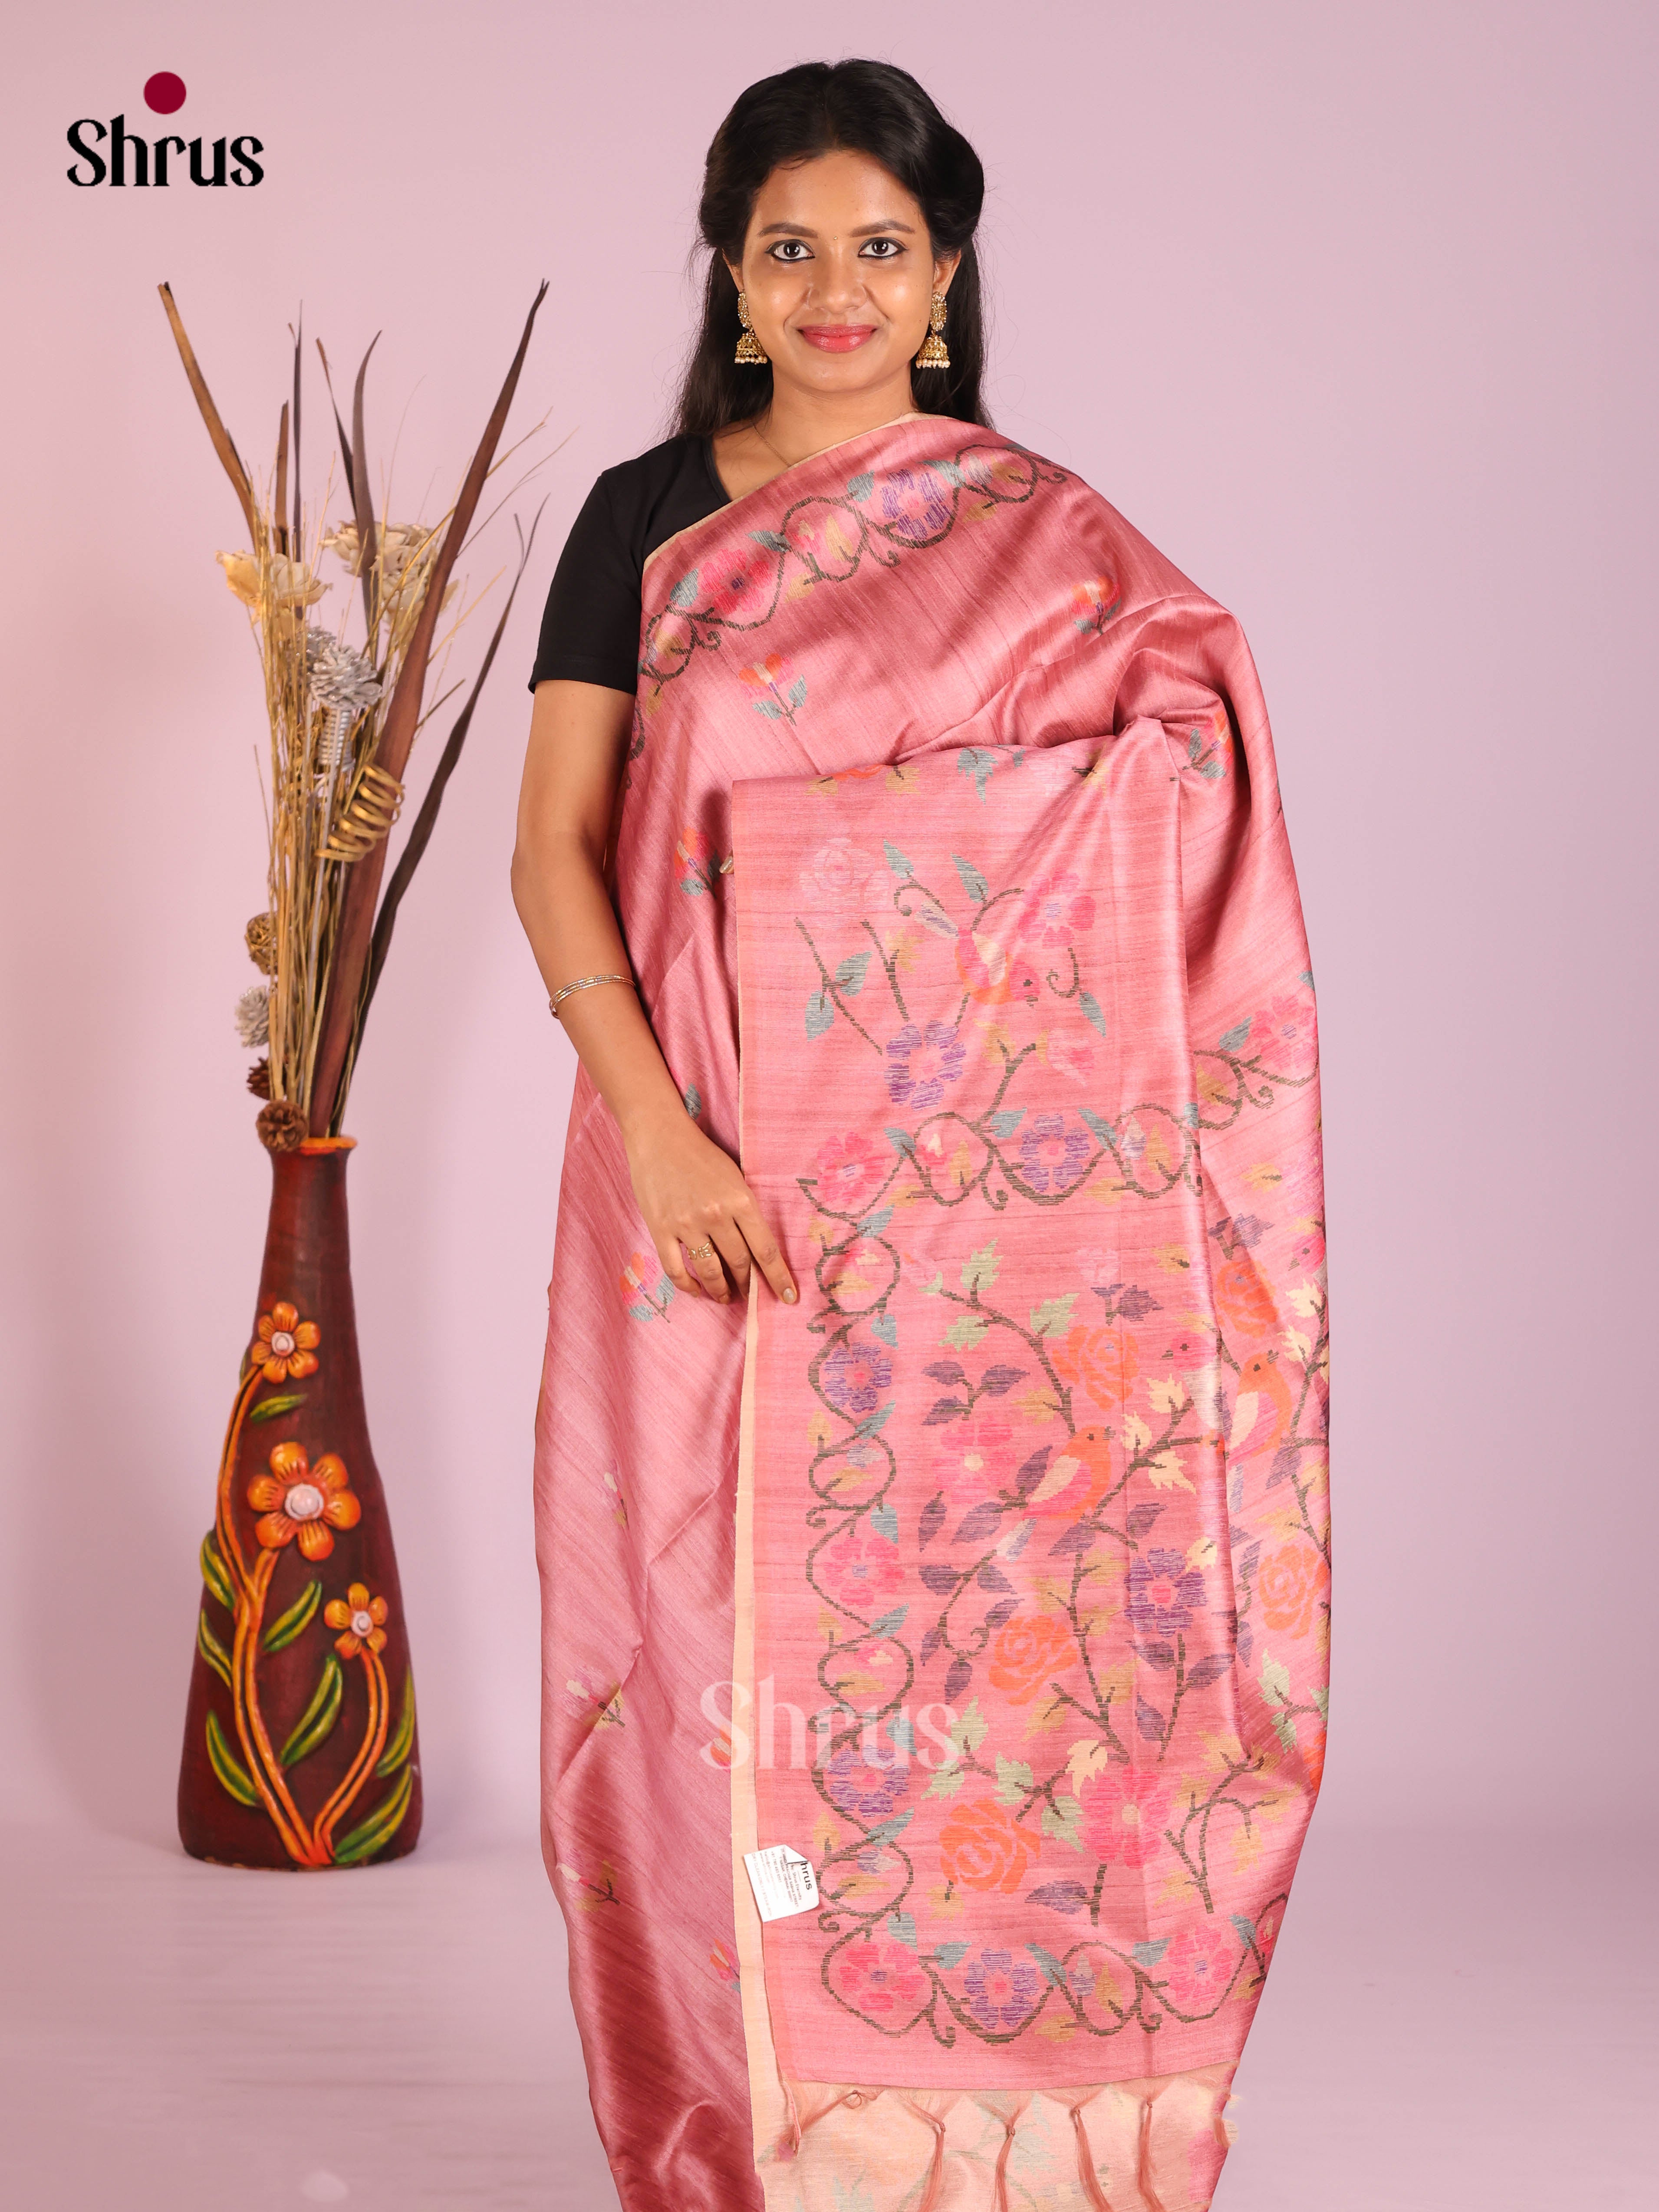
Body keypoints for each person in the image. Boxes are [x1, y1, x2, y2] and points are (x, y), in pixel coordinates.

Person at [513, 57, 1329, 2212]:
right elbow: (553, 849)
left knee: (992, 1661)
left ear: (946, 275)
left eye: (881, 246)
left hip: (988, 1252)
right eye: (789, 246)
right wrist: (663, 1133)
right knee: (696, 1647)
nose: (836, 287)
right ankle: (757, 2132)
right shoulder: (644, 518)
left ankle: (996, 2146)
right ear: (730, 273)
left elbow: (1186, 787)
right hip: (699, 1176)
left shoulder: (1046, 544)